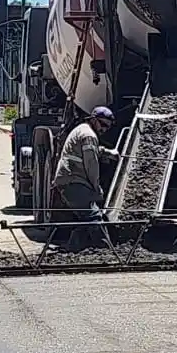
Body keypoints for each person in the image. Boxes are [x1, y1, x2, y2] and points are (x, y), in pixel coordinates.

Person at [52, 106, 120, 251]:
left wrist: (108, 153)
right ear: (94, 120)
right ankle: (105, 250)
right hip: (73, 181)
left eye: (107, 127)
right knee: (93, 216)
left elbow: (93, 150)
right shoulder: (89, 135)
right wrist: (96, 187)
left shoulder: (82, 130)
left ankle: (73, 249)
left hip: (69, 180)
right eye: (102, 125)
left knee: (85, 217)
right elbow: (91, 164)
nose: (104, 129)